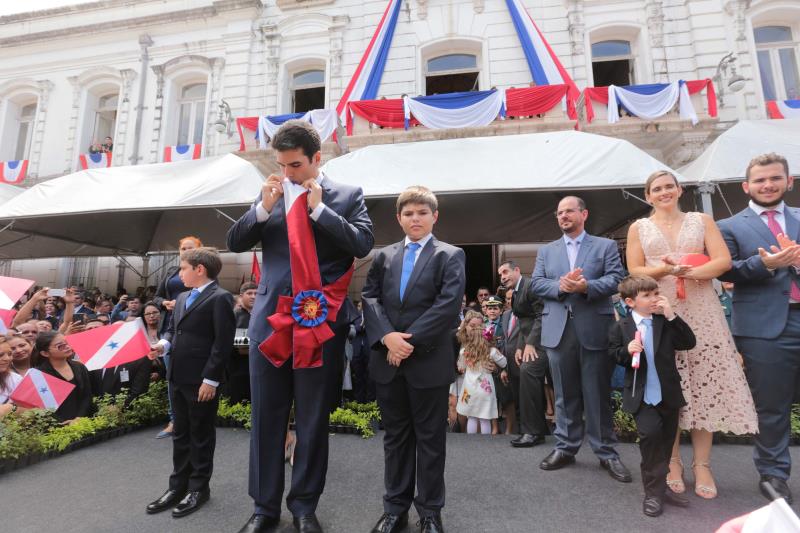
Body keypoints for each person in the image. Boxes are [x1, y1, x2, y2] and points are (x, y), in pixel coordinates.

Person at [227, 120, 373, 533]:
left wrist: (321, 210)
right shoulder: (269, 194)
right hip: (270, 324)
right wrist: (262, 208)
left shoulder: (347, 196)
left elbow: (362, 244)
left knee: (312, 421)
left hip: (320, 326)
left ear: (316, 158)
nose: (287, 172)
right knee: (266, 418)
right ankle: (264, 508)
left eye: (295, 165)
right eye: (281, 164)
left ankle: (304, 507)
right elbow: (235, 242)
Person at [626, 170, 757, 499]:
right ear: (648, 195)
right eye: (657, 189)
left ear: (679, 189)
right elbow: (635, 269)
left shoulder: (702, 220)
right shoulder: (639, 227)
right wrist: (667, 270)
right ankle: (672, 462)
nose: (664, 192)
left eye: (669, 186)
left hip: (702, 309)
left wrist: (690, 272)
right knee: (667, 383)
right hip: (660, 307)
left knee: (703, 383)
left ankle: (702, 465)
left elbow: (723, 261)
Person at [362, 185, 465, 533]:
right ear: (399, 218)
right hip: (388, 362)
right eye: (408, 213)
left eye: (422, 213)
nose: (415, 218)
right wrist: (387, 337)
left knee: (431, 441)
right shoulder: (383, 256)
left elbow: (447, 306)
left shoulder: (450, 255)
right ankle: (395, 509)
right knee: (395, 439)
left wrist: (406, 342)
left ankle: (430, 513)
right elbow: (369, 297)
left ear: (435, 216)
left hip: (428, 361)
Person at [717, 153, 800, 504]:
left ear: (789, 181)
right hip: (764, 328)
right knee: (771, 405)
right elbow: (725, 270)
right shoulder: (728, 226)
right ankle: (773, 474)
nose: (768, 185)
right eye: (760, 180)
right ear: (746, 186)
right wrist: (765, 264)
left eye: (775, 178)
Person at [533, 196, 630, 482]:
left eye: (569, 211)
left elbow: (617, 279)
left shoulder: (605, 246)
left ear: (584, 214)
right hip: (558, 330)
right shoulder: (546, 250)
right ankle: (565, 447)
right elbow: (537, 283)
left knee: (597, 394)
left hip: (595, 328)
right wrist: (561, 286)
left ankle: (606, 452)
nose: (563, 216)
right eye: (559, 213)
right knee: (564, 394)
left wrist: (587, 286)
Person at [146, 247, 236, 519]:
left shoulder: (220, 297)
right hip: (177, 375)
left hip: (201, 380)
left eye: (183, 268)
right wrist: (162, 346)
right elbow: (173, 330)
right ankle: (178, 486)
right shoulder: (183, 296)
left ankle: (198, 488)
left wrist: (211, 379)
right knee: (181, 433)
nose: (179, 273)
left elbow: (222, 343)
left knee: (201, 435)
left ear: (200, 269)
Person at [609, 276, 696, 516]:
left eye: (656, 293)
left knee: (666, 442)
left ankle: (660, 487)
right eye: (646, 295)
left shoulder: (664, 322)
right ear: (630, 302)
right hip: (642, 396)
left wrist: (671, 315)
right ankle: (653, 493)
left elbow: (688, 342)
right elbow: (613, 353)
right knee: (650, 438)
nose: (654, 298)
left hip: (668, 394)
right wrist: (626, 351)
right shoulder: (621, 326)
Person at [153, 235, 202, 439]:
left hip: (193, 330)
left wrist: (184, 303)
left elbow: (208, 296)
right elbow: (156, 297)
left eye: (191, 248)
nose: (186, 251)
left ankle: (194, 419)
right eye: (183, 248)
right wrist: (165, 303)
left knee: (192, 376)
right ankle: (174, 420)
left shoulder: (203, 271)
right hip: (169, 329)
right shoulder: (172, 271)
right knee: (171, 377)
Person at [500, 260, 548, 448]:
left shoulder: (531, 285)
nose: (503, 277)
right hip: (531, 342)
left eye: (505, 272)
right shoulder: (516, 291)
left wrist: (530, 343)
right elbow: (523, 321)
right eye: (500, 274)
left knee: (527, 372)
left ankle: (532, 432)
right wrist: (520, 346)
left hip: (545, 343)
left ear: (517, 270)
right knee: (525, 377)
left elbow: (542, 315)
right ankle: (538, 430)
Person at [456, 310, 507, 435]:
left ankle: (471, 441)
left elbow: (461, 367)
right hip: (485, 390)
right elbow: (504, 362)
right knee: (485, 418)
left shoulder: (464, 351)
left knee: (471, 417)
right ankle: (486, 442)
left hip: (469, 389)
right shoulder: (492, 351)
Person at [36, 331, 94, 422]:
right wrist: (63, 422)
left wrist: (79, 418)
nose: (67, 347)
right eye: (60, 346)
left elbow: (87, 396)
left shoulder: (79, 367)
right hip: (56, 425)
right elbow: (42, 407)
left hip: (84, 422)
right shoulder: (38, 375)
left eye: (67, 343)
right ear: (45, 353)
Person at [227, 282, 256, 404]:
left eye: (256, 294)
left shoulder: (262, 315)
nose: (253, 296)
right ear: (241, 296)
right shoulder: (234, 315)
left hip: (257, 370)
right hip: (237, 370)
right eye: (249, 293)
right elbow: (239, 348)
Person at [0, 338, 23, 404]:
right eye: (0, 355)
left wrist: (10, 407)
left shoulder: (16, 379)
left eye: (10, 354)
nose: (7, 358)